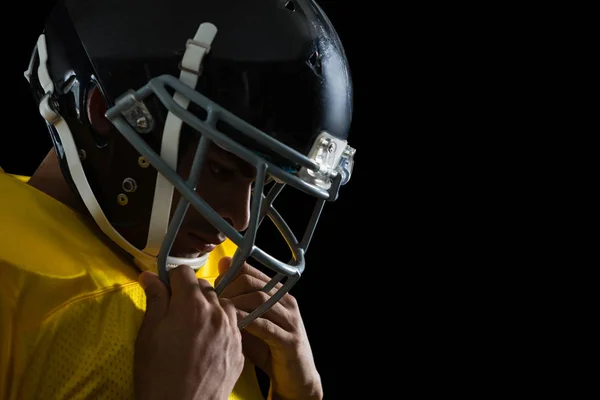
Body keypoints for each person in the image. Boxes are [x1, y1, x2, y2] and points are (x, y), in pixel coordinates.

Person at [0, 0, 356, 399]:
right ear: (103, 112)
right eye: (220, 169)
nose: (240, 221)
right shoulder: (11, 281)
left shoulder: (218, 281)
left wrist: (300, 393)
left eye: (260, 183)